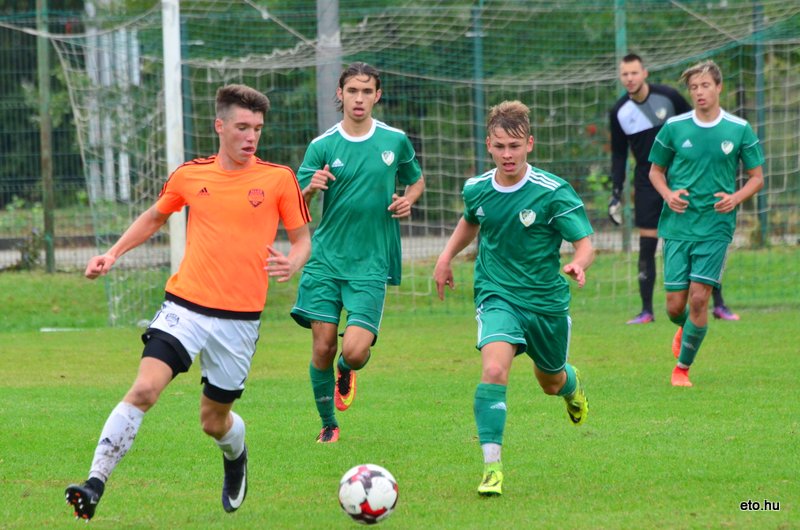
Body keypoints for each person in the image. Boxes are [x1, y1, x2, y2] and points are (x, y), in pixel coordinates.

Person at [64, 84, 312, 520]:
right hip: (185, 306)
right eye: (241, 127)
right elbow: (156, 216)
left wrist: (292, 262)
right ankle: (94, 483)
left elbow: (301, 240)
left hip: (239, 320)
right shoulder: (190, 175)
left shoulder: (278, 178)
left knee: (213, 421)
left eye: (257, 128)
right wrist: (113, 253)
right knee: (144, 389)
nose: (251, 136)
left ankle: (235, 455)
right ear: (220, 126)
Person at [434, 100, 593, 497]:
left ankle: (571, 386)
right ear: (489, 144)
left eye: (515, 146)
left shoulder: (552, 192)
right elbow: (472, 220)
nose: (508, 154)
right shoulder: (477, 188)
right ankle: (492, 469)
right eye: (501, 146)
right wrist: (445, 257)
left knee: (550, 381)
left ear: (530, 145)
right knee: (493, 371)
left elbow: (585, 242)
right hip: (496, 294)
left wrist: (578, 263)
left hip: (545, 303)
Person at [290, 62, 425, 443]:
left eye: (367, 91)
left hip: (371, 261)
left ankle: (347, 369)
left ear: (377, 96)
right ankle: (328, 425)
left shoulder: (394, 140)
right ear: (340, 94)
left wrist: (407, 199)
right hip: (327, 259)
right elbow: (292, 203)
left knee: (354, 351)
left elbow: (416, 181)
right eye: (353, 91)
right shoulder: (322, 146)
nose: (359, 98)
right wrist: (311, 188)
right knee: (322, 346)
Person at [648, 60, 764, 387]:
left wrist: (735, 198)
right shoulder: (674, 127)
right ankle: (686, 328)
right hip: (678, 225)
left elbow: (757, 178)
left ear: (719, 87)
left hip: (716, 225)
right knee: (675, 308)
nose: (699, 92)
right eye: (694, 87)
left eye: (705, 86)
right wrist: (669, 194)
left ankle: (681, 368)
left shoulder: (738, 128)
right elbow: (655, 172)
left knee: (700, 299)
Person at [609, 53, 740, 324]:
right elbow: (619, 155)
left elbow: (698, 124)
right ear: (621, 77)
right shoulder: (619, 112)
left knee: (703, 238)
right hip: (648, 181)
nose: (630, 78)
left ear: (644, 73)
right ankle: (647, 310)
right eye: (625, 74)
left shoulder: (668, 97)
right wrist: (616, 193)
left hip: (684, 180)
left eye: (634, 72)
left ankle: (719, 304)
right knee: (647, 243)